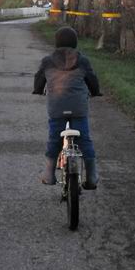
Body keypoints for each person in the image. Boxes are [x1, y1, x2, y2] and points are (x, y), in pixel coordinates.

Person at [32, 26, 102, 189]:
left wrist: (38, 89)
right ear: (75, 43)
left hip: (57, 107)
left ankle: (49, 175)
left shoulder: (48, 61)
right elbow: (92, 78)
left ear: (56, 43)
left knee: (54, 138)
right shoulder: (82, 60)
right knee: (84, 139)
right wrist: (96, 92)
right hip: (78, 108)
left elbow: (39, 78)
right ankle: (92, 176)